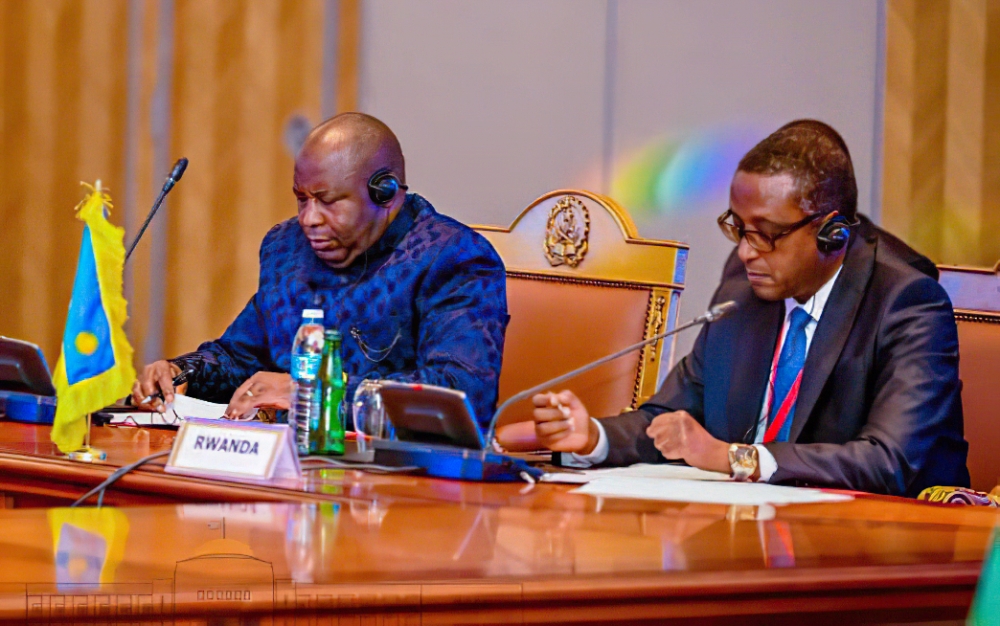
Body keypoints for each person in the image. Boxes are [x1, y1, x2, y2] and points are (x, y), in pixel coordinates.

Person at [526, 120, 969, 496]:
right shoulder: (744, 292)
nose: (745, 252)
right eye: (738, 228)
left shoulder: (906, 303)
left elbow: (887, 461)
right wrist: (594, 438)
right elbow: (671, 420)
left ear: (832, 234)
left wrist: (736, 458)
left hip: (890, 555)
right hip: (752, 534)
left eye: (766, 233)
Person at [132, 113, 508, 430]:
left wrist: (312, 395)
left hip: (398, 494)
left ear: (385, 192)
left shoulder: (453, 258)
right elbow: (241, 357)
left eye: (327, 201)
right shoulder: (286, 249)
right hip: (282, 476)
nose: (309, 219)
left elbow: (461, 399)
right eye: (301, 199)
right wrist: (181, 373)